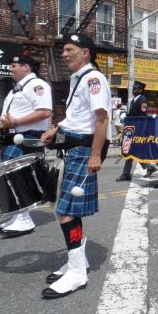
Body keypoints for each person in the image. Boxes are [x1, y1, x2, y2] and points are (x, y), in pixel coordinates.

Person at [40, 33, 111, 299]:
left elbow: (100, 119)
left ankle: (77, 273)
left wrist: (95, 155)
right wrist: (56, 129)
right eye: (64, 50)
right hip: (71, 147)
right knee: (67, 209)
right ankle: (77, 262)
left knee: (65, 212)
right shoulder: (78, 78)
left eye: (70, 49)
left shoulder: (93, 79)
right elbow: (75, 115)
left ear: (85, 53)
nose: (64, 53)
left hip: (83, 150)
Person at [0, 53, 52, 236]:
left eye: (13, 65)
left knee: (19, 177)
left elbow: (44, 112)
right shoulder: (16, 89)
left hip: (26, 137)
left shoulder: (37, 85)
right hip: (14, 135)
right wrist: (3, 126)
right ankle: (17, 215)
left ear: (26, 67)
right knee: (10, 177)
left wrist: (15, 122)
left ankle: (24, 220)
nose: (10, 68)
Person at [116, 81, 156, 181]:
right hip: (131, 129)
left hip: (137, 129)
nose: (133, 90)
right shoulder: (135, 100)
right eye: (133, 88)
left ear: (140, 90)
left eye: (135, 89)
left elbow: (142, 115)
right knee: (130, 150)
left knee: (131, 150)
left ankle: (129, 173)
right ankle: (128, 173)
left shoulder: (142, 100)